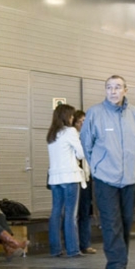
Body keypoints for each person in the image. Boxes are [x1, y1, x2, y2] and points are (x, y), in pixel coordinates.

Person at [81, 75, 135, 269]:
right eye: (109, 88)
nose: (113, 91)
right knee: (111, 223)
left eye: (117, 87)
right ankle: (117, 267)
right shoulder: (95, 113)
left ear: (125, 90)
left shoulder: (134, 113)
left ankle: (119, 264)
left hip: (130, 178)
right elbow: (86, 144)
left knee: (125, 223)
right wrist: (98, 167)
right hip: (105, 178)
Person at [47, 103, 85, 258]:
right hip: (70, 176)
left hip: (55, 178)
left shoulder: (51, 134)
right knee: (70, 214)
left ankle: (55, 249)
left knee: (56, 213)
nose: (72, 118)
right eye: (71, 115)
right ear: (67, 117)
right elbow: (81, 154)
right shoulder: (70, 131)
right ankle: (73, 249)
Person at [72, 109, 98, 254]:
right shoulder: (72, 136)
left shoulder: (89, 136)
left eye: (84, 121)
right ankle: (74, 244)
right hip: (76, 178)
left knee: (86, 212)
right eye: (80, 121)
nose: (83, 124)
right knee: (73, 213)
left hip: (87, 178)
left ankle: (85, 243)